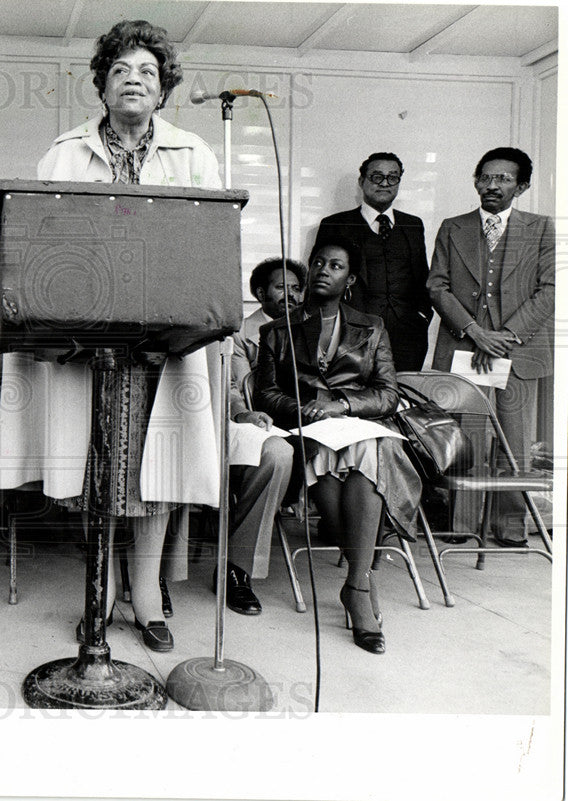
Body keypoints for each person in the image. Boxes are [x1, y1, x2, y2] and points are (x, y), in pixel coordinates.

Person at [0, 20, 224, 652]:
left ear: (164, 88)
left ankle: (144, 593)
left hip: (166, 343)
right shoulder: (63, 151)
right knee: (95, 465)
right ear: (101, 85)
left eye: (147, 72)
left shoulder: (194, 154)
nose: (134, 80)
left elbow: (210, 246)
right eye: (120, 70)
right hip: (84, 342)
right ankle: (97, 593)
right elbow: (37, 244)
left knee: (161, 468)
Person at [254, 235, 422, 654]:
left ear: (350, 279)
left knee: (366, 451)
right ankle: (361, 588)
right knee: (339, 456)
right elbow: (265, 394)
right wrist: (308, 408)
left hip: (360, 424)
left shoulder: (371, 326)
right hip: (309, 429)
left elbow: (387, 392)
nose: (325, 271)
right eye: (319, 263)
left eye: (336, 266)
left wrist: (344, 404)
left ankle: (357, 584)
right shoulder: (276, 331)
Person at [427, 147, 554, 547]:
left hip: (518, 351)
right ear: (476, 181)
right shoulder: (453, 227)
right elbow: (437, 286)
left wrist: (506, 335)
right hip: (467, 348)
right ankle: (461, 525)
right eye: (485, 178)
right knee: (467, 436)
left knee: (515, 444)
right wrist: (475, 331)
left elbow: (550, 289)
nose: (491, 185)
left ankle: (511, 527)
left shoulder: (542, 228)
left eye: (502, 179)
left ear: (522, 186)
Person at [217, 257, 304, 614]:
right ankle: (238, 569)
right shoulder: (241, 332)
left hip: (308, 421)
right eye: (282, 287)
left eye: (297, 288)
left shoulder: (312, 329)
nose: (291, 295)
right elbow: (235, 385)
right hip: (262, 421)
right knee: (277, 454)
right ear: (259, 293)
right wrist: (243, 412)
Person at [314, 152, 432, 372]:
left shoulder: (413, 225)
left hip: (407, 336)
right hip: (352, 334)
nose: (385, 183)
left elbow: (422, 278)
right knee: (355, 397)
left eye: (392, 177)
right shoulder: (335, 224)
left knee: (404, 398)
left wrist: (422, 317)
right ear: (362, 181)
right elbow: (319, 282)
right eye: (377, 177)